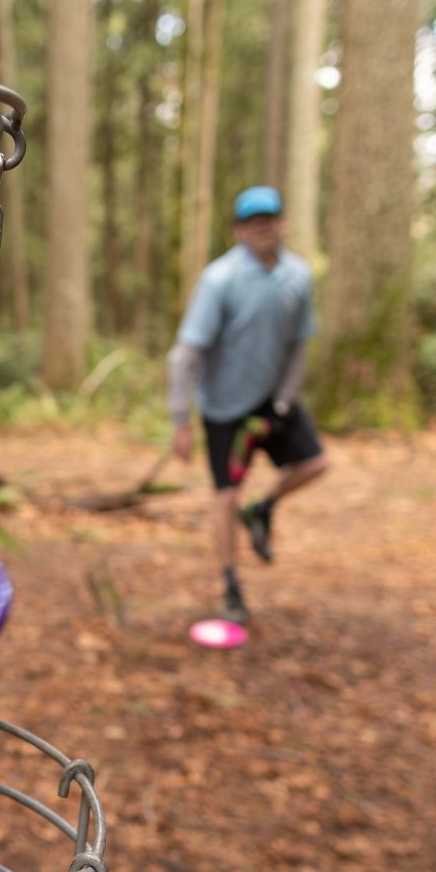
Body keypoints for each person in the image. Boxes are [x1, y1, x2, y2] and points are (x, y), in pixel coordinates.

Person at [168, 185, 329, 627]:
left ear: (283, 223)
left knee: (315, 465)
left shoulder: (298, 275)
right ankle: (230, 585)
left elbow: (300, 344)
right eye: (252, 221)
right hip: (225, 409)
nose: (262, 227)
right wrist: (182, 421)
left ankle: (263, 509)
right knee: (225, 497)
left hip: (272, 402)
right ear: (239, 230)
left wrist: (284, 400)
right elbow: (185, 355)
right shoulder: (219, 279)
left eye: (269, 218)